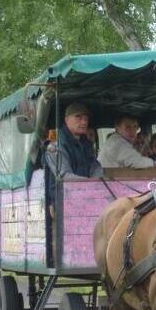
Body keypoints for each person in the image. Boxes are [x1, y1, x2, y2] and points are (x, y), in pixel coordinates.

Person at [42, 102, 104, 265]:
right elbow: (64, 176)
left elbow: (95, 165)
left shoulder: (85, 143)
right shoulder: (55, 145)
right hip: (63, 202)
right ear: (66, 119)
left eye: (86, 118)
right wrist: (92, 185)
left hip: (86, 199)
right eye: (78, 117)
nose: (83, 122)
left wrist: (97, 179)